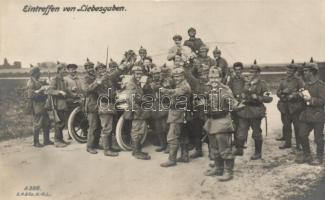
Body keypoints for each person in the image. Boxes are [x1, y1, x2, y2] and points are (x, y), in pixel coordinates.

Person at [203, 68, 237, 181]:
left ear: (220, 78)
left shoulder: (225, 90)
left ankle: (229, 172)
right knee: (214, 148)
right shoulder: (207, 88)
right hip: (211, 122)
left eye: (216, 77)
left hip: (222, 122)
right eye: (211, 77)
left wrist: (226, 105)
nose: (213, 80)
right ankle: (218, 168)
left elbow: (234, 105)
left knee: (224, 148)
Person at [235, 62, 273, 159]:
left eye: (254, 72)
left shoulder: (263, 84)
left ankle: (258, 152)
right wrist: (242, 96)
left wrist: (258, 97)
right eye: (251, 72)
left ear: (258, 73)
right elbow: (243, 93)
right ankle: (239, 149)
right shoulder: (247, 83)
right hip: (244, 110)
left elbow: (269, 99)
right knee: (241, 130)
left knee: (256, 132)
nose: (252, 74)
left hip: (256, 111)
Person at [189, 45, 217, 159]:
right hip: (198, 99)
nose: (203, 52)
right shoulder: (196, 62)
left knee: (210, 126)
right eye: (201, 51)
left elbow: (217, 71)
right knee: (197, 126)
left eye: (204, 50)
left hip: (209, 107)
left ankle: (212, 151)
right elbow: (191, 73)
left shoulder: (212, 61)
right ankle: (198, 149)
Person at [160, 67, 192, 167]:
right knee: (183, 135)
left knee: (172, 136)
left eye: (179, 76)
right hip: (181, 113)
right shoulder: (181, 84)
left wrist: (164, 90)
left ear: (183, 76)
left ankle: (171, 159)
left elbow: (175, 92)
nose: (177, 78)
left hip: (177, 113)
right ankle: (184, 156)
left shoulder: (184, 86)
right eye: (175, 76)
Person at [296, 62, 325, 165]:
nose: (304, 73)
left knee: (318, 138)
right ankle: (307, 155)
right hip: (306, 115)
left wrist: (311, 99)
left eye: (306, 71)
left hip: (317, 115)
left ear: (312, 72)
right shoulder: (306, 85)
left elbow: (323, 101)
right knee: (302, 134)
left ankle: (319, 157)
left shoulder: (320, 85)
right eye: (304, 71)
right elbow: (304, 100)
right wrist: (300, 96)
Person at [95, 62, 126, 156]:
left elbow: (114, 74)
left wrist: (120, 69)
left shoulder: (108, 78)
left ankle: (110, 147)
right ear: (97, 71)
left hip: (111, 105)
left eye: (103, 68)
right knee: (106, 128)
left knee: (110, 127)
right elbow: (88, 89)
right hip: (104, 105)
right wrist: (98, 82)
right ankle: (106, 150)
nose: (102, 70)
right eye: (99, 69)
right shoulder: (97, 80)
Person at [124, 65, 151, 160]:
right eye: (137, 74)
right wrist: (137, 110)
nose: (139, 75)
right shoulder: (131, 84)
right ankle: (136, 152)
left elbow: (138, 96)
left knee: (140, 130)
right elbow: (130, 99)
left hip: (140, 109)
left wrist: (144, 100)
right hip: (136, 110)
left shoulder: (137, 83)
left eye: (140, 74)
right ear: (133, 74)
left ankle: (138, 150)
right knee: (136, 131)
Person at [276, 62, 304, 150]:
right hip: (285, 107)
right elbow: (277, 92)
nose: (288, 72)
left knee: (297, 126)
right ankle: (287, 143)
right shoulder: (283, 81)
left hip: (295, 108)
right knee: (286, 126)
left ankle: (299, 144)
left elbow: (303, 92)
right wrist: (282, 93)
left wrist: (294, 95)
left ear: (295, 71)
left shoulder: (299, 81)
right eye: (287, 70)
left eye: (291, 70)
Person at [26, 66, 52, 147]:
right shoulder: (31, 82)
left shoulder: (36, 81)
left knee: (47, 123)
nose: (40, 73)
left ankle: (46, 140)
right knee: (37, 124)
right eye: (38, 72)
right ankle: (36, 142)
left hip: (42, 106)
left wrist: (45, 84)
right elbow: (31, 95)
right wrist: (41, 91)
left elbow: (41, 84)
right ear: (35, 73)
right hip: (37, 106)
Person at [145, 66, 169, 152]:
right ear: (152, 75)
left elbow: (167, 92)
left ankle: (169, 146)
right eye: (154, 74)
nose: (156, 75)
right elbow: (145, 91)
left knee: (166, 127)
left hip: (164, 107)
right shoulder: (149, 83)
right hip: (155, 108)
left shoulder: (165, 82)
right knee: (158, 128)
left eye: (158, 73)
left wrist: (158, 88)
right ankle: (163, 145)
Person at [81, 59, 101, 154]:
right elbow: (86, 89)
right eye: (88, 68)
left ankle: (96, 144)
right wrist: (97, 83)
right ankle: (89, 146)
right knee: (92, 126)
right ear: (85, 69)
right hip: (91, 104)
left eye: (91, 67)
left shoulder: (96, 76)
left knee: (98, 126)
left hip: (100, 103)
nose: (90, 69)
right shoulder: (85, 78)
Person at [227, 62, 247, 154]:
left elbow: (247, 91)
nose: (238, 71)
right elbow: (228, 91)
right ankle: (236, 142)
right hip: (234, 105)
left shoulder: (245, 80)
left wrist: (243, 98)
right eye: (236, 70)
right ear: (234, 70)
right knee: (235, 124)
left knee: (242, 126)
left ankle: (241, 146)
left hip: (243, 105)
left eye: (239, 69)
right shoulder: (231, 80)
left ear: (242, 70)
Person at [49, 63, 70, 148]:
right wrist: (59, 92)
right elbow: (50, 91)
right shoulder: (55, 79)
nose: (65, 71)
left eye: (65, 69)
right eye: (64, 69)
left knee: (62, 122)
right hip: (57, 104)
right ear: (59, 70)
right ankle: (57, 141)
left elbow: (67, 91)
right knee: (58, 123)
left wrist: (72, 91)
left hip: (63, 104)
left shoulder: (63, 80)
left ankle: (60, 139)